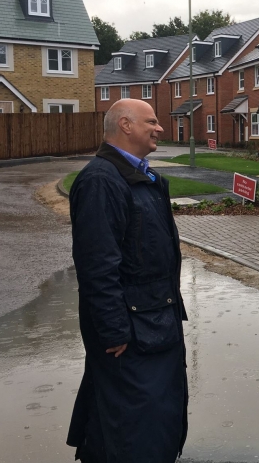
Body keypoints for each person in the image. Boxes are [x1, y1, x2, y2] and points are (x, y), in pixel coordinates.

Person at [66, 99, 188, 463]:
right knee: (132, 431)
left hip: (154, 327)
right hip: (132, 337)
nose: (160, 128)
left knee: (151, 424)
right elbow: (97, 266)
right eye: (151, 121)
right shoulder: (102, 181)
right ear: (126, 125)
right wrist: (114, 330)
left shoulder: (140, 177)